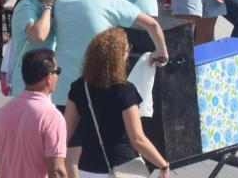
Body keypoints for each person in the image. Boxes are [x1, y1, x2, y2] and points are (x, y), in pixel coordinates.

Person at [51, 0, 168, 111]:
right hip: (100, 90)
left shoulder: (58, 2)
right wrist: (161, 52)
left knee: (68, 137)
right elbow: (152, 25)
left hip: (64, 92)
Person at [63, 27, 173, 178]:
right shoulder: (125, 91)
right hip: (122, 166)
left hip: (86, 168)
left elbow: (65, 134)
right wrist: (163, 164)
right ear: (118, 56)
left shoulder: (79, 87)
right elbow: (137, 139)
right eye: (127, 50)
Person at [0, 49, 67, 178]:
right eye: (57, 71)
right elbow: (56, 170)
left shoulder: (3, 112)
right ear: (49, 77)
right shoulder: (52, 116)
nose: (58, 76)